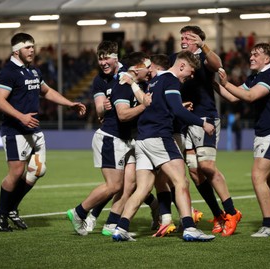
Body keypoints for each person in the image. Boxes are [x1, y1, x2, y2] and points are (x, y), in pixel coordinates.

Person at [112, 50, 215, 242]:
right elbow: (176, 109)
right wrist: (203, 123)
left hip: (142, 139)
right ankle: (190, 228)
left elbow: (157, 103)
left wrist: (133, 82)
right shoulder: (171, 80)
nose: (191, 76)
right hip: (159, 136)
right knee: (181, 181)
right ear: (182, 66)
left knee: (143, 188)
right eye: (191, 71)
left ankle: (121, 228)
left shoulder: (156, 79)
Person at [0, 32, 86, 232]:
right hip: (15, 130)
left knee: (37, 170)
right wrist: (21, 116)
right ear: (16, 50)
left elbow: (47, 91)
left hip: (34, 129)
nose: (32, 50)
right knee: (17, 172)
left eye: (33, 46)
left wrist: (69, 103)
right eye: (28, 47)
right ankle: (2, 212)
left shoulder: (33, 71)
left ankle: (11, 209)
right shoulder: (8, 72)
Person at [67, 47, 158, 236]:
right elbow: (123, 115)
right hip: (112, 138)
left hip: (127, 140)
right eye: (146, 66)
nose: (149, 70)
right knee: (114, 185)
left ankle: (112, 223)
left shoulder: (130, 79)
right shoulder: (123, 84)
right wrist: (143, 106)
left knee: (129, 184)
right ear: (136, 68)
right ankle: (79, 212)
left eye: (106, 58)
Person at [218, 42, 270, 237]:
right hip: (265, 134)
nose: (251, 57)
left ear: (267, 59)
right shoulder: (257, 77)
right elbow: (232, 97)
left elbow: (249, 96)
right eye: (251, 54)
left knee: (258, 176)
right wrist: (212, 84)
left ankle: (269, 226)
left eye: (256, 54)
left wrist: (225, 83)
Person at [173, 25, 242, 237]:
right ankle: (218, 214)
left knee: (207, 166)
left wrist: (203, 45)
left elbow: (217, 64)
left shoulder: (203, 57)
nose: (184, 39)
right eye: (182, 36)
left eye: (189, 37)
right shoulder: (176, 58)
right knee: (194, 171)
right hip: (184, 121)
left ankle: (232, 212)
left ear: (199, 40)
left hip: (205, 118)